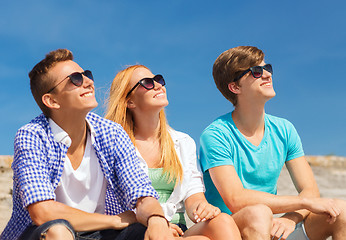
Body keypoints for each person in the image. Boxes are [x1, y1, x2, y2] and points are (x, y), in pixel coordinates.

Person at [0, 49, 175, 240]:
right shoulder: (33, 136)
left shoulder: (112, 133)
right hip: (42, 232)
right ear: (52, 100)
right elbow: (43, 212)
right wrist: (114, 220)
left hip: (100, 234)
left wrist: (156, 220)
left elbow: (142, 193)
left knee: (146, 232)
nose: (89, 82)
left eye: (87, 75)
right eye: (75, 79)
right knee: (58, 231)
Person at [199, 46, 346, 240]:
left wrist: (290, 218)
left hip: (270, 229)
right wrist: (303, 202)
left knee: (341, 210)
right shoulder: (216, 135)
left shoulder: (284, 129)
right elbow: (236, 199)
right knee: (258, 213)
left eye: (267, 68)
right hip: (233, 230)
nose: (267, 75)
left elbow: (311, 191)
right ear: (235, 87)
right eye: (256, 72)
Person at [104, 64, 242, 240]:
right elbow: (115, 205)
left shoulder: (183, 142)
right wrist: (158, 224)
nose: (158, 85)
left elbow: (193, 195)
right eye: (146, 82)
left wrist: (201, 208)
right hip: (136, 229)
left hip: (178, 228)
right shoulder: (115, 143)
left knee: (222, 220)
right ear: (129, 101)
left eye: (158, 80)